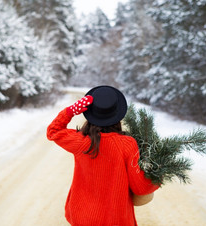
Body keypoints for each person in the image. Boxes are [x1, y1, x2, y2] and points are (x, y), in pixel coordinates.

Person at [46, 85, 159, 226]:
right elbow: (140, 188)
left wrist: (70, 111)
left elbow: (53, 131)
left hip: (83, 218)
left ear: (90, 112)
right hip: (116, 220)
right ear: (118, 113)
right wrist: (158, 174)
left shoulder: (80, 141)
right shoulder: (127, 144)